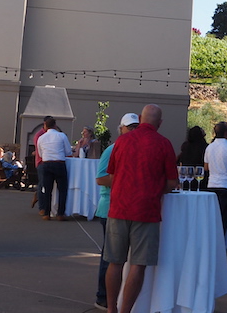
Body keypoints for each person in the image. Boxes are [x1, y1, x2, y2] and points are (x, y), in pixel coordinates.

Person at [104, 104, 178, 313]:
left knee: (114, 262)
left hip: (119, 207)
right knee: (138, 264)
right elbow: (172, 182)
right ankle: (125, 310)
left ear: (139, 118)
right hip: (147, 209)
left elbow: (111, 174)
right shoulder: (164, 144)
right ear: (160, 123)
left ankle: (111, 309)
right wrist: (154, 187)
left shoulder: (122, 141)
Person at [93, 113, 139, 311]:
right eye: (130, 127)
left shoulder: (138, 149)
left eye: (137, 126)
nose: (134, 130)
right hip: (110, 206)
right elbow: (101, 178)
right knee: (110, 256)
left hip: (128, 207)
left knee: (121, 257)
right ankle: (102, 297)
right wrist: (127, 181)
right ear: (121, 129)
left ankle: (117, 297)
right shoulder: (112, 149)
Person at [204, 121, 227, 233]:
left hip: (212, 184)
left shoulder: (209, 147)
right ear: (226, 133)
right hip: (226, 185)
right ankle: (221, 245)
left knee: (213, 217)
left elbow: (206, 167)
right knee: (223, 218)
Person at [36, 116, 72, 221]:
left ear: (45, 126)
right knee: (62, 189)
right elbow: (68, 151)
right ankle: (60, 213)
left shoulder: (41, 138)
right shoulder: (61, 136)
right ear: (55, 125)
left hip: (46, 164)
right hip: (59, 163)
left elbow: (40, 153)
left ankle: (46, 213)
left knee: (48, 190)